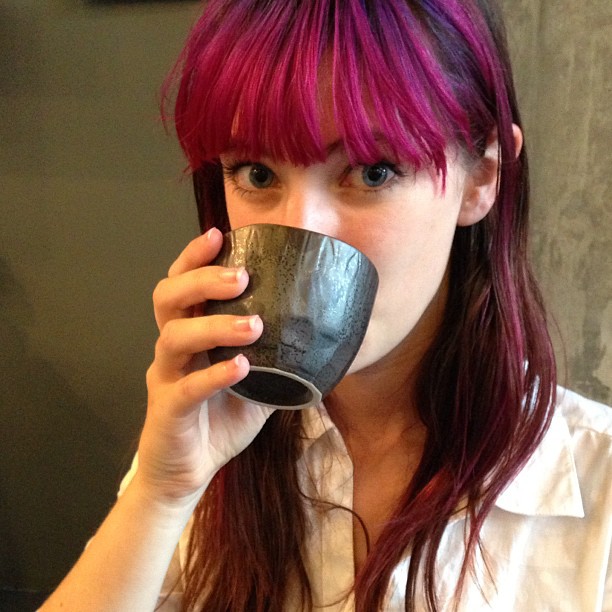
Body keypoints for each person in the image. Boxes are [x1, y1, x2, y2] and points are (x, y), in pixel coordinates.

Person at [41, 0, 612, 610]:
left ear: (482, 177)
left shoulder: (594, 498)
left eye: (372, 172)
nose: (303, 231)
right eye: (257, 173)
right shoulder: (203, 455)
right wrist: (161, 491)